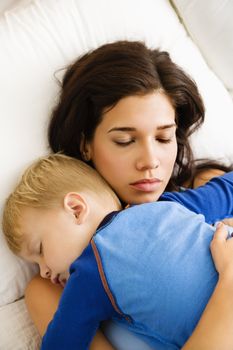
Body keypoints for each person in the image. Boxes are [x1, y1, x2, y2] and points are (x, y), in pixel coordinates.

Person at [24, 40, 233, 349]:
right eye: (124, 140)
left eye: (164, 137)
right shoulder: (57, 282)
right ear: (86, 144)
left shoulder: (192, 200)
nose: (150, 160)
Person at [3, 153, 233, 350]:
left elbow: (62, 343)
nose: (43, 272)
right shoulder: (166, 205)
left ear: (75, 209)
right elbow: (225, 188)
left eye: (40, 250)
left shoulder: (90, 274)